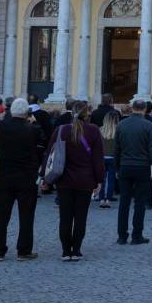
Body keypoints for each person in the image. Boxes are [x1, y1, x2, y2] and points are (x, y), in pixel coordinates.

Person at [48, 101, 105, 261]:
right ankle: (76, 249)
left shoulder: (62, 130)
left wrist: (44, 176)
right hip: (85, 180)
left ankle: (66, 250)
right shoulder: (93, 131)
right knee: (81, 217)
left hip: (64, 179)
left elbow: (50, 153)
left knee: (65, 216)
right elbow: (97, 159)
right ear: (87, 114)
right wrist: (99, 180)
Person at [0, 98, 43, 261]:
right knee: (26, 215)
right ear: (26, 113)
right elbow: (40, 150)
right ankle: (24, 250)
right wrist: (34, 123)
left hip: (4, 176)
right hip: (26, 177)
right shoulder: (32, 129)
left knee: (1, 215)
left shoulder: (0, 128)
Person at [115, 99, 152, 245]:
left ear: (132, 108)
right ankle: (136, 235)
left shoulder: (121, 125)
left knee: (124, 202)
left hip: (125, 166)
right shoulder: (148, 125)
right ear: (145, 109)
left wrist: (117, 168)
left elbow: (117, 149)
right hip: (142, 167)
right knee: (140, 202)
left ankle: (122, 235)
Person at [97, 110, 120, 209]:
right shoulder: (119, 130)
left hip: (102, 157)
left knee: (101, 179)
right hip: (113, 158)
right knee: (111, 180)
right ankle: (108, 200)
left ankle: (101, 199)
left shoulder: (100, 130)